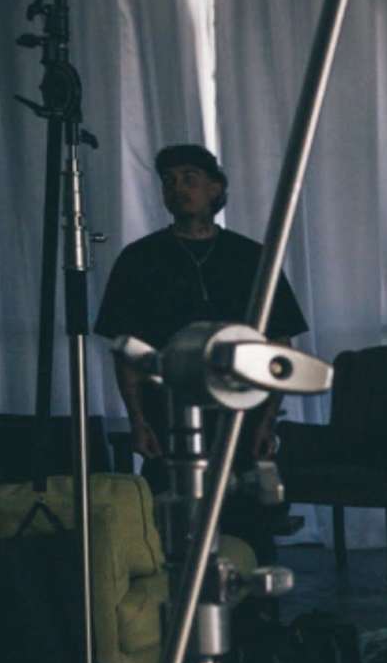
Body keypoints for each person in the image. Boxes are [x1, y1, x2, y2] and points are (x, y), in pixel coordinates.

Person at [94, 142, 309, 483]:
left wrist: (268, 421)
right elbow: (126, 350)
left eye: (189, 178)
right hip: (168, 413)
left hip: (240, 411)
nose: (178, 188)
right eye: (169, 181)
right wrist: (137, 420)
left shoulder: (251, 257)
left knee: (246, 515)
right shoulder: (139, 259)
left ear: (215, 188)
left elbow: (279, 344)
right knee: (172, 516)